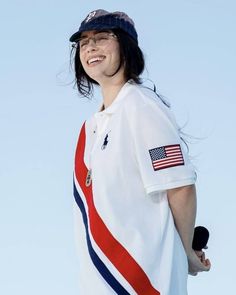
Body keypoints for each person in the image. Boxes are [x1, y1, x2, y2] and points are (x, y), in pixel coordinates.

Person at [70, 9, 211, 295]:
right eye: (83, 42)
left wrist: (185, 254)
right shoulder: (90, 129)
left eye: (102, 37)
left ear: (126, 46)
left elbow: (179, 186)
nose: (91, 47)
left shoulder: (142, 108)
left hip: (146, 282)